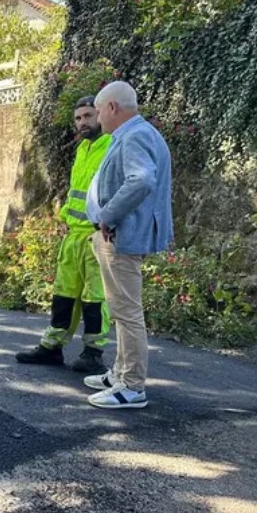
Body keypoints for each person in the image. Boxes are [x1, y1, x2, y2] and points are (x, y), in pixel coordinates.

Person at [83, 81, 173, 409]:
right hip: (119, 234)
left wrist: (107, 216)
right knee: (121, 309)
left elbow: (141, 180)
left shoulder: (135, 135)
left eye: (97, 112)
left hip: (120, 235)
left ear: (112, 108)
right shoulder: (136, 133)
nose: (96, 120)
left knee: (126, 310)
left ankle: (132, 386)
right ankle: (120, 373)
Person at [16, 96, 112, 373]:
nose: (82, 122)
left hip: (96, 236)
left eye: (87, 116)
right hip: (73, 237)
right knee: (64, 295)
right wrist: (66, 217)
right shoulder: (83, 149)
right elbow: (76, 192)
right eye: (78, 118)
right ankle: (52, 347)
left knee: (95, 298)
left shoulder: (111, 147)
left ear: (101, 115)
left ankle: (93, 352)